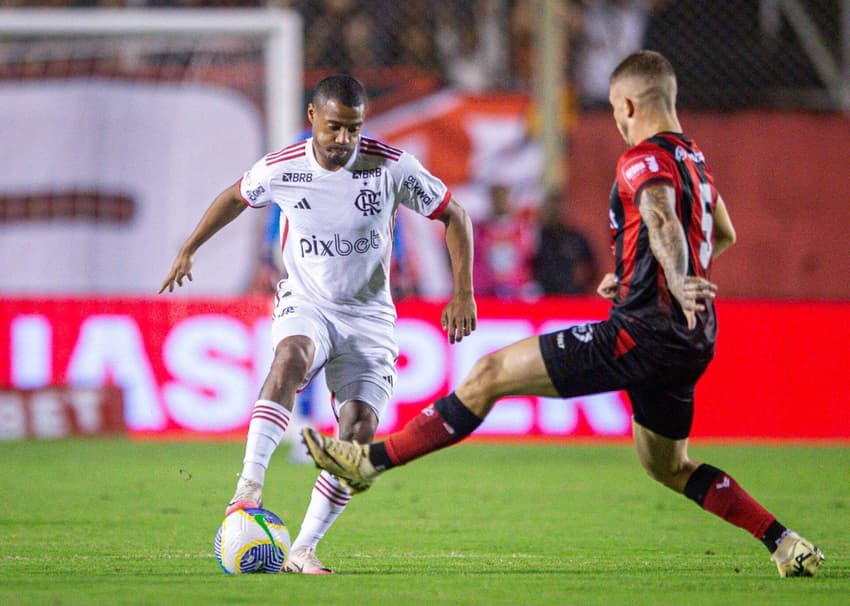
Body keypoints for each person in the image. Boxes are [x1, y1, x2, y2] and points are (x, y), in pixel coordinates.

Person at [301, 51, 825, 578]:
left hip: (641, 334)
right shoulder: (696, 161)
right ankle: (784, 543)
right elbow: (723, 234)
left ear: (625, 104)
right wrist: (647, 276)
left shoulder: (642, 159)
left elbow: (661, 216)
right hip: (692, 341)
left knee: (488, 375)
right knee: (668, 466)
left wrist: (675, 273)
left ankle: (369, 461)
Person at [159, 74, 477, 574]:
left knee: (356, 431)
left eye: (353, 129)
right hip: (307, 301)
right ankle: (248, 488)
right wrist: (189, 248)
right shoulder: (284, 167)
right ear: (312, 118)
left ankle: (303, 547)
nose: (344, 140)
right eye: (334, 128)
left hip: (370, 317)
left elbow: (454, 214)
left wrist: (463, 292)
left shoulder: (391, 166)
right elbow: (235, 197)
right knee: (290, 359)